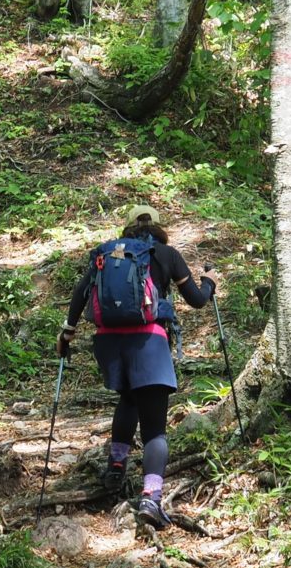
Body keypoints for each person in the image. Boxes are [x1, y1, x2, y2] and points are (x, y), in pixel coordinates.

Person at [57, 206, 218, 528]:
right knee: (155, 426)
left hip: (109, 343)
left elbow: (80, 293)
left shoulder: (108, 254)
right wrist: (209, 283)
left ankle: (115, 468)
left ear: (127, 227)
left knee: (128, 399)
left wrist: (67, 332)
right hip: (149, 342)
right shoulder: (165, 254)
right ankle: (151, 498)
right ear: (158, 227)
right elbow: (197, 300)